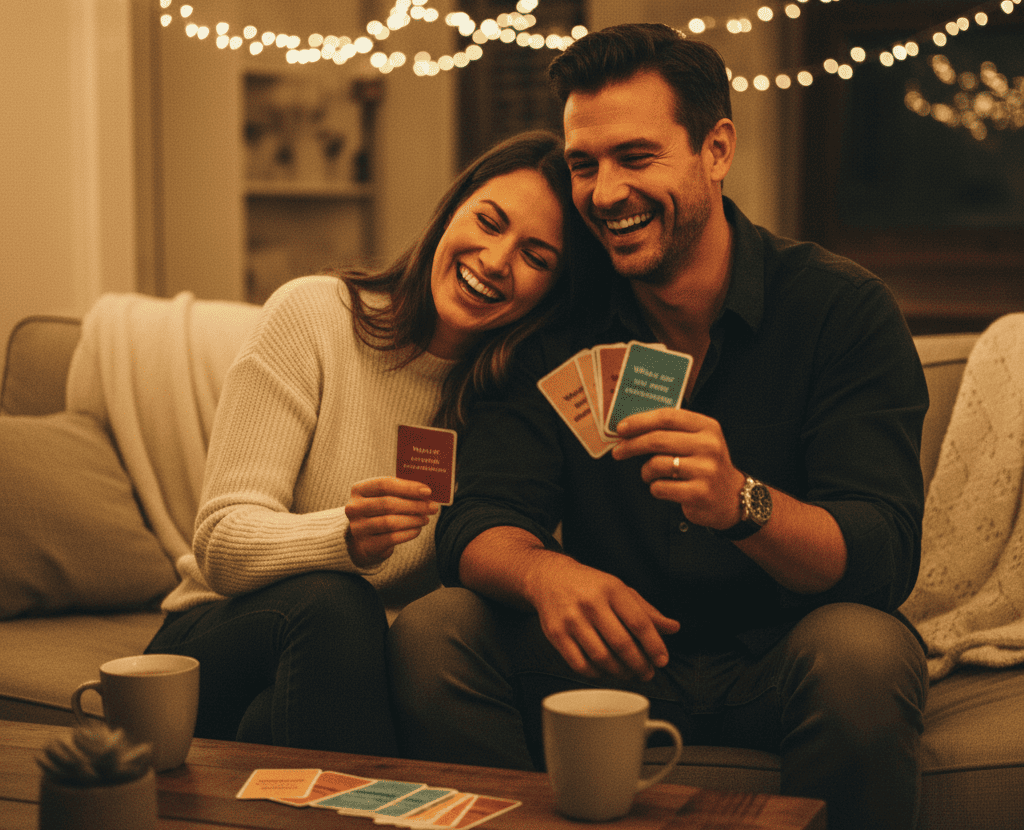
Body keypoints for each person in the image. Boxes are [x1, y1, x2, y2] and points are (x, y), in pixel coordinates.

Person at [388, 24, 930, 830]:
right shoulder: (556, 330)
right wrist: (545, 574)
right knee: (436, 629)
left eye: (635, 158)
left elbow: (882, 552)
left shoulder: (839, 309)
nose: (605, 194)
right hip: (605, 657)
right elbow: (477, 519)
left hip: (781, 660)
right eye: (584, 165)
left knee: (865, 648)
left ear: (716, 149)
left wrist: (743, 503)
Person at [144, 129, 601, 756]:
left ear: (553, 291)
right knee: (336, 602)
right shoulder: (315, 316)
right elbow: (221, 541)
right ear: (451, 212)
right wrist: (345, 537)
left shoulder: (519, 403)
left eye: (536, 257)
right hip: (226, 634)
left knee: (274, 719)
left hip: (364, 674)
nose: (496, 260)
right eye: (489, 222)